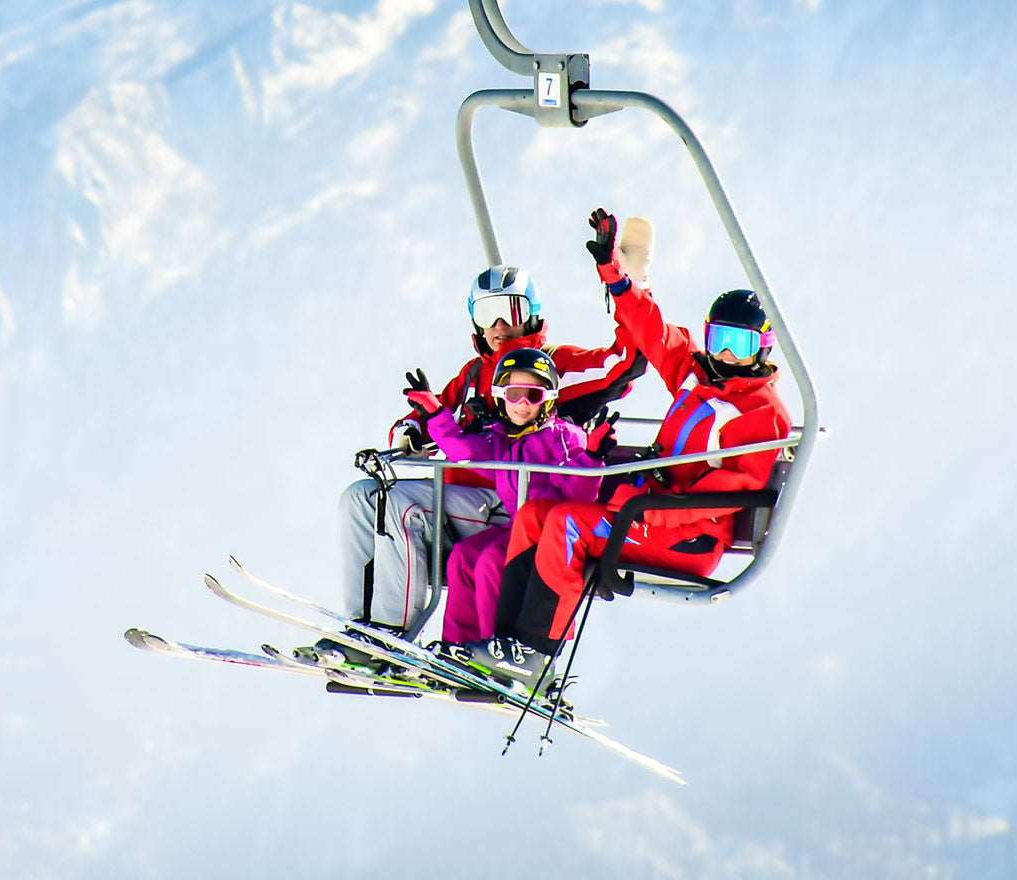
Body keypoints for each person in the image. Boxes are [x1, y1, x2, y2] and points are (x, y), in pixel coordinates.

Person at [469, 209, 793, 688]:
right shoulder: (695, 374)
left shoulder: (760, 413)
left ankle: (535, 653)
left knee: (564, 525)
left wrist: (643, 509)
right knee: (535, 513)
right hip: (645, 510)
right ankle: (505, 641)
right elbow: (651, 329)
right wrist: (614, 274)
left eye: (738, 344)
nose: (725, 355)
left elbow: (728, 493)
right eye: (718, 339)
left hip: (690, 534)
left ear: (762, 348)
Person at [311, 264, 646, 664]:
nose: (500, 324)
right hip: (463, 497)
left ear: (533, 315)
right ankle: (361, 625)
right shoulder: (472, 376)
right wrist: (410, 431)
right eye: (487, 314)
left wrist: (626, 283)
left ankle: (387, 634)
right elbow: (434, 415)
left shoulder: (553, 365)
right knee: (362, 498)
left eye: (511, 311)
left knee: (402, 507)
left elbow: (625, 362)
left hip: (511, 503)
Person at [402, 349, 616, 656]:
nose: (523, 404)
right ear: (501, 396)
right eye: (514, 394)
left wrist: (591, 458)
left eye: (533, 395)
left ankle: (497, 647)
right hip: (519, 528)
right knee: (463, 556)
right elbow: (464, 451)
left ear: (549, 398)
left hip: (549, 533)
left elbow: (579, 497)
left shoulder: (563, 437)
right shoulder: (502, 438)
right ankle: (459, 644)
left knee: (491, 561)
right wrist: (436, 414)